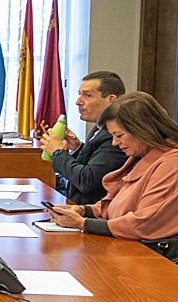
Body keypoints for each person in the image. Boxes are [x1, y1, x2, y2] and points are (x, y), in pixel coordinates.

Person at [49, 92, 178, 239]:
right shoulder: (143, 156)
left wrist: (83, 223)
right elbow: (117, 206)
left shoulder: (174, 164)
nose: (114, 142)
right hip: (135, 245)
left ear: (143, 130)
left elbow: (144, 223)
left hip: (166, 256)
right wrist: (83, 211)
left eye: (119, 135)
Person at [40, 70, 127, 203]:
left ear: (111, 100)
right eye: (79, 95)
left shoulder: (115, 136)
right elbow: (90, 167)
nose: (78, 102)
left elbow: (87, 181)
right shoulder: (99, 129)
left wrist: (58, 153)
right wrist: (78, 148)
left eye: (87, 95)